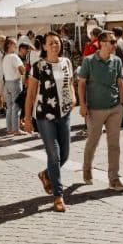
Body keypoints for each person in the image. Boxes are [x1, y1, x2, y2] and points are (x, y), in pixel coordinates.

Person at [23, 32, 76, 212]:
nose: (55, 45)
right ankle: (58, 196)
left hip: (64, 114)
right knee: (54, 154)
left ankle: (46, 174)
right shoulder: (38, 66)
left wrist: (74, 97)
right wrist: (27, 118)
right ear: (44, 46)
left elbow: (70, 83)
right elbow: (30, 93)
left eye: (57, 42)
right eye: (51, 43)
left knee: (65, 155)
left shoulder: (66, 62)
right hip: (45, 115)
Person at [78, 30, 123, 192]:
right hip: (95, 109)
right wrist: (83, 105)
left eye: (114, 41)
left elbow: (120, 81)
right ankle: (86, 169)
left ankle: (114, 178)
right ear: (102, 43)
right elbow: (82, 84)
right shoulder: (89, 61)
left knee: (114, 145)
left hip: (114, 108)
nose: (115, 44)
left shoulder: (117, 61)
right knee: (93, 141)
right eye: (112, 42)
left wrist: (121, 100)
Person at [2, 38, 26, 136]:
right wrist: (24, 68)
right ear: (9, 45)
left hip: (7, 82)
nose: (16, 46)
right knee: (16, 107)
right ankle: (16, 129)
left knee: (9, 107)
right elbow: (22, 70)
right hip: (15, 82)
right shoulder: (14, 57)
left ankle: (10, 129)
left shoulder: (5, 57)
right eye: (14, 44)